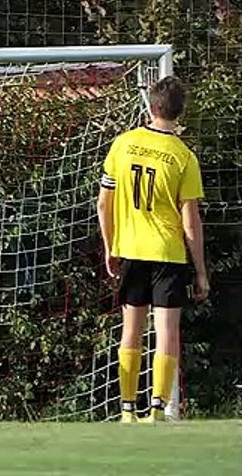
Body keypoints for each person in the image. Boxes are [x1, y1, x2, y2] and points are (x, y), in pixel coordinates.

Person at [97, 76, 208, 423]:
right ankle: (158, 409)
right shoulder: (183, 156)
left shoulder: (123, 144)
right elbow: (190, 223)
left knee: (131, 329)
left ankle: (128, 410)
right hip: (168, 254)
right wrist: (201, 271)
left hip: (130, 249)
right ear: (179, 111)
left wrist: (109, 246)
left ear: (151, 106)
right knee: (167, 331)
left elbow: (104, 204)